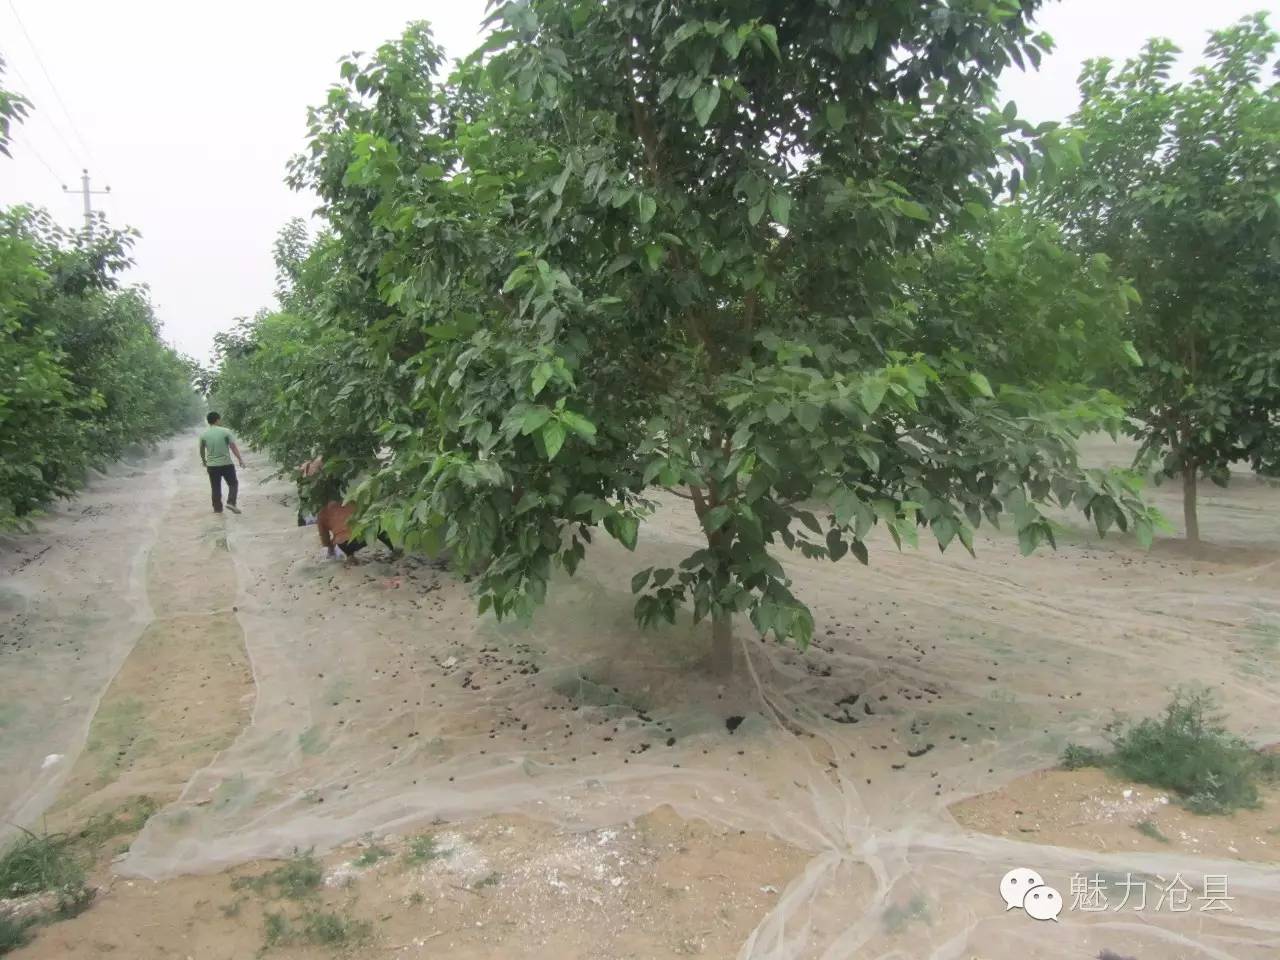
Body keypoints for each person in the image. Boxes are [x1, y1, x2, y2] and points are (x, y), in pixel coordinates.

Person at [317, 499, 395, 564]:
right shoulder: (350, 502)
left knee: (340, 536)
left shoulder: (322, 513)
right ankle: (394, 549)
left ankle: (350, 556)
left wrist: (331, 548)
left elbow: (324, 537)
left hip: (343, 545)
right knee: (376, 525)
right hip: (358, 539)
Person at [199, 412, 246, 515]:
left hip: (212, 465)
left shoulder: (203, 434)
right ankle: (231, 502)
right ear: (217, 420)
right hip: (226, 464)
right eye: (220, 419)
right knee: (233, 484)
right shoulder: (225, 431)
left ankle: (218, 511)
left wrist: (204, 461)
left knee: (215, 487)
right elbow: (233, 447)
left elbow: (202, 450)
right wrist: (240, 459)